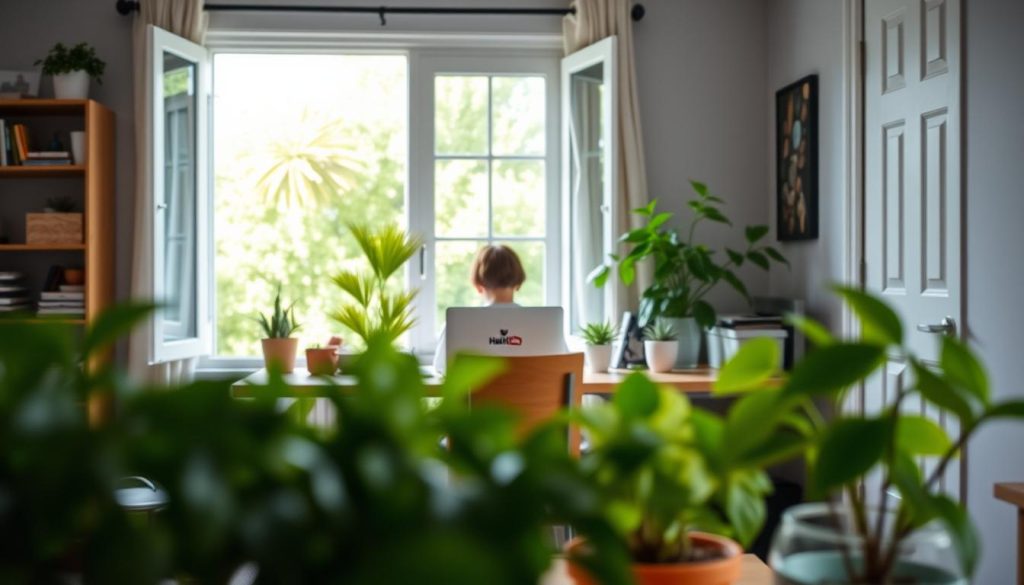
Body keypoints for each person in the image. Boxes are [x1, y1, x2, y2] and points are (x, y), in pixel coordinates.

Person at [432, 244, 525, 374]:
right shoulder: (545, 323)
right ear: (518, 283)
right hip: (533, 394)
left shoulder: (457, 323)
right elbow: (561, 364)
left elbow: (441, 367)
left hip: (475, 395)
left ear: (478, 285)